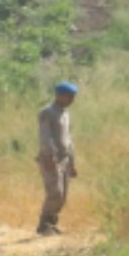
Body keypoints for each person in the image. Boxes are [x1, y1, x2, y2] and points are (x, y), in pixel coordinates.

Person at [36, 81, 78, 235]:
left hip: (65, 159)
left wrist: (72, 162)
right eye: (69, 97)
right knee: (55, 192)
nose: (72, 100)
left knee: (63, 196)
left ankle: (52, 224)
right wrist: (49, 156)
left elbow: (68, 139)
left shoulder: (65, 114)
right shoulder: (47, 113)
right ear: (59, 96)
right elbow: (45, 137)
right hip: (51, 159)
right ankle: (43, 225)